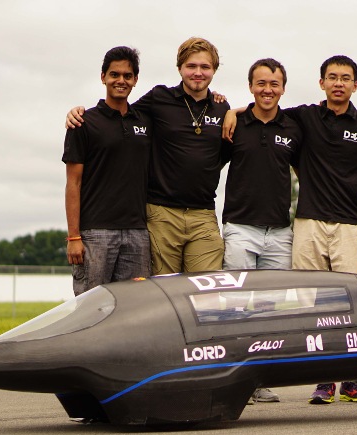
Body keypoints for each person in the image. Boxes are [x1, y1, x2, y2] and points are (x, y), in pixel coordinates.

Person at [224, 56, 357, 404]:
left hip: (351, 225)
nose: (338, 83)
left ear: (355, 85)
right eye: (332, 78)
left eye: (346, 78)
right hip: (308, 222)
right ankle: (324, 380)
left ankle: (353, 379)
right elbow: (265, 108)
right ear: (321, 82)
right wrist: (233, 111)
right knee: (313, 306)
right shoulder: (304, 117)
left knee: (353, 305)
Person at [66, 38, 231, 275]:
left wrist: (236, 111)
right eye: (191, 66)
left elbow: (223, 154)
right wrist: (78, 112)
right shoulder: (159, 98)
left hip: (203, 214)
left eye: (205, 67)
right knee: (163, 292)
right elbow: (120, 113)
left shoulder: (222, 108)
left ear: (214, 70)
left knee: (205, 290)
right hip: (161, 213)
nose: (198, 72)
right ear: (179, 68)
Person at [222, 58, 302, 403]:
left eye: (274, 84)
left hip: (280, 232)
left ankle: (258, 381)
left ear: (283, 88)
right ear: (251, 86)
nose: (267, 90)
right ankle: (234, 379)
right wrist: (233, 111)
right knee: (239, 307)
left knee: (268, 310)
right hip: (240, 227)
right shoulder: (234, 123)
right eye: (261, 83)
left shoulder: (295, 126)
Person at [62, 46, 152, 296]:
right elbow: (73, 183)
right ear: (103, 77)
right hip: (95, 234)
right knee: (90, 310)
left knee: (135, 309)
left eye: (127, 75)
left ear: (135, 80)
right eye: (114, 74)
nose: (120, 80)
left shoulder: (145, 122)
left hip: (138, 234)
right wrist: (73, 237)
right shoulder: (83, 122)